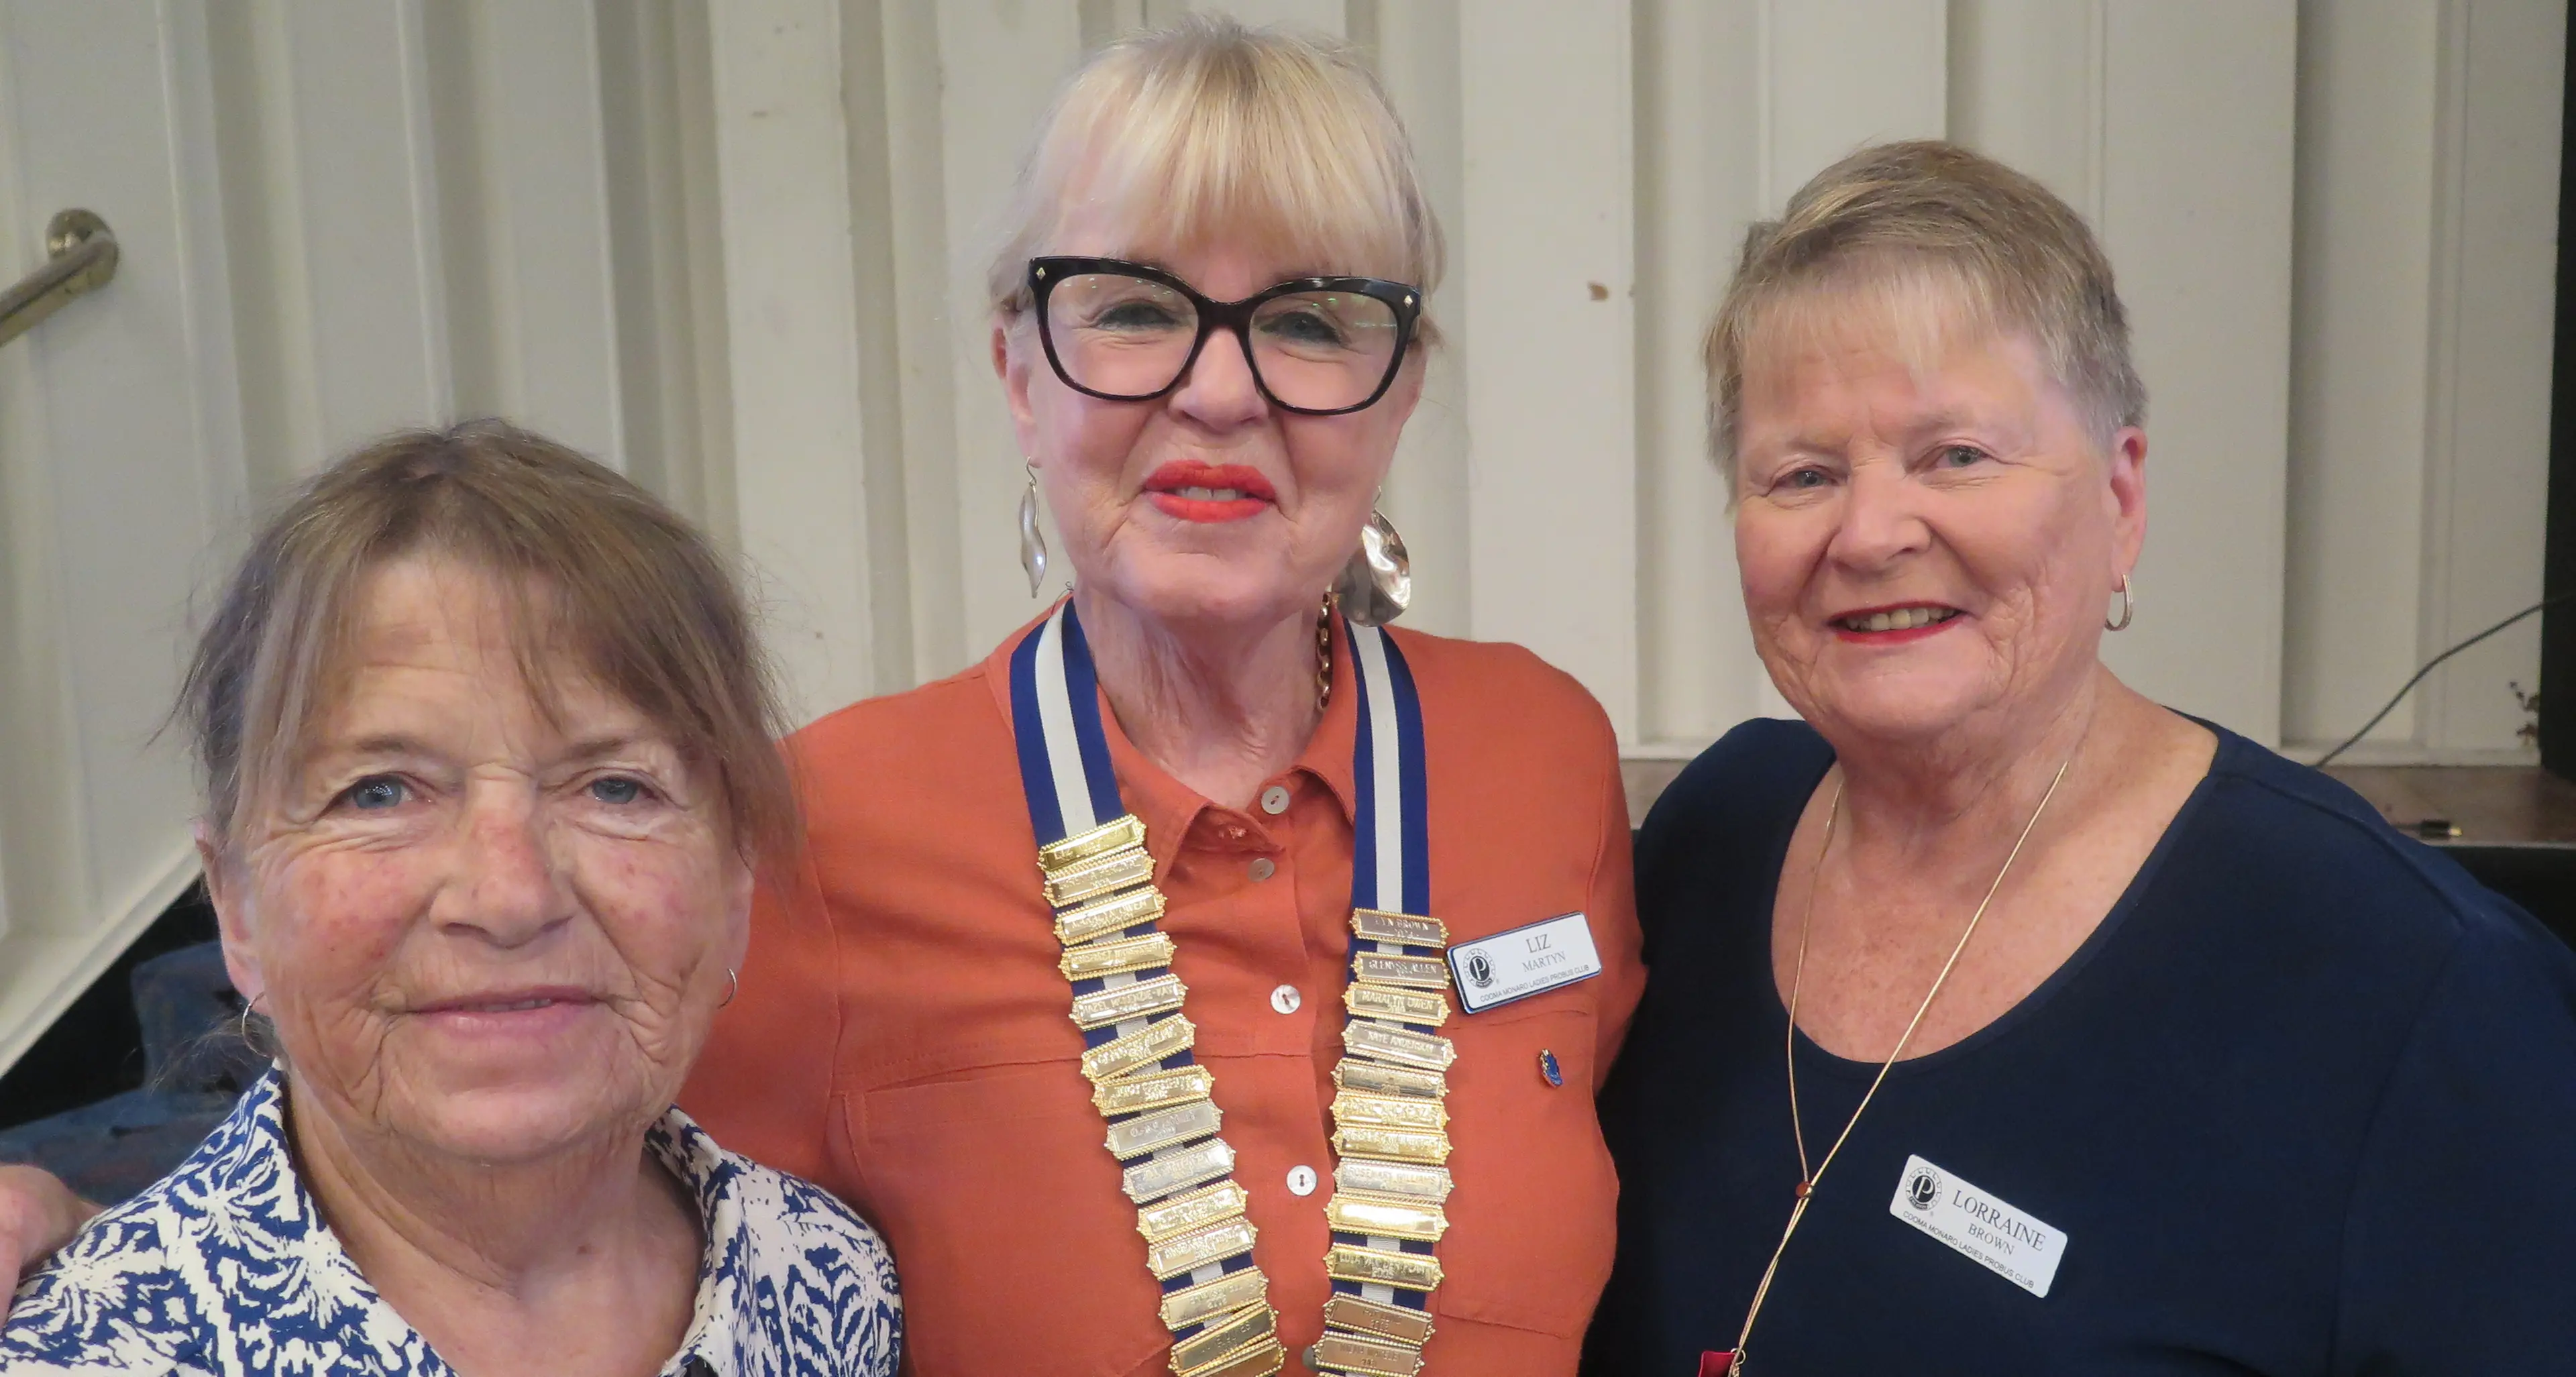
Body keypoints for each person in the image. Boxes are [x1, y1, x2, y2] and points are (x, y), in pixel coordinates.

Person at [678, 17, 1640, 1377]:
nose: (1220, 388)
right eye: (1135, 308)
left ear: (1403, 392)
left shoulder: (1542, 758)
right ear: (1018, 371)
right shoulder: (817, 830)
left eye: (1309, 321)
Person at [1581, 140, 2576, 1376]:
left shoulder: (2412, 986)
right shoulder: (1713, 840)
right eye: (1803, 473)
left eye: (1957, 455)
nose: (1874, 530)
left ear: (2122, 499)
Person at [0, 424, 901, 1375]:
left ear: (735, 880)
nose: (510, 896)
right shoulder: (87, 1356)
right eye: (380, 791)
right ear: (236, 904)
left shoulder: (829, 1284)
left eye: (615, 788)